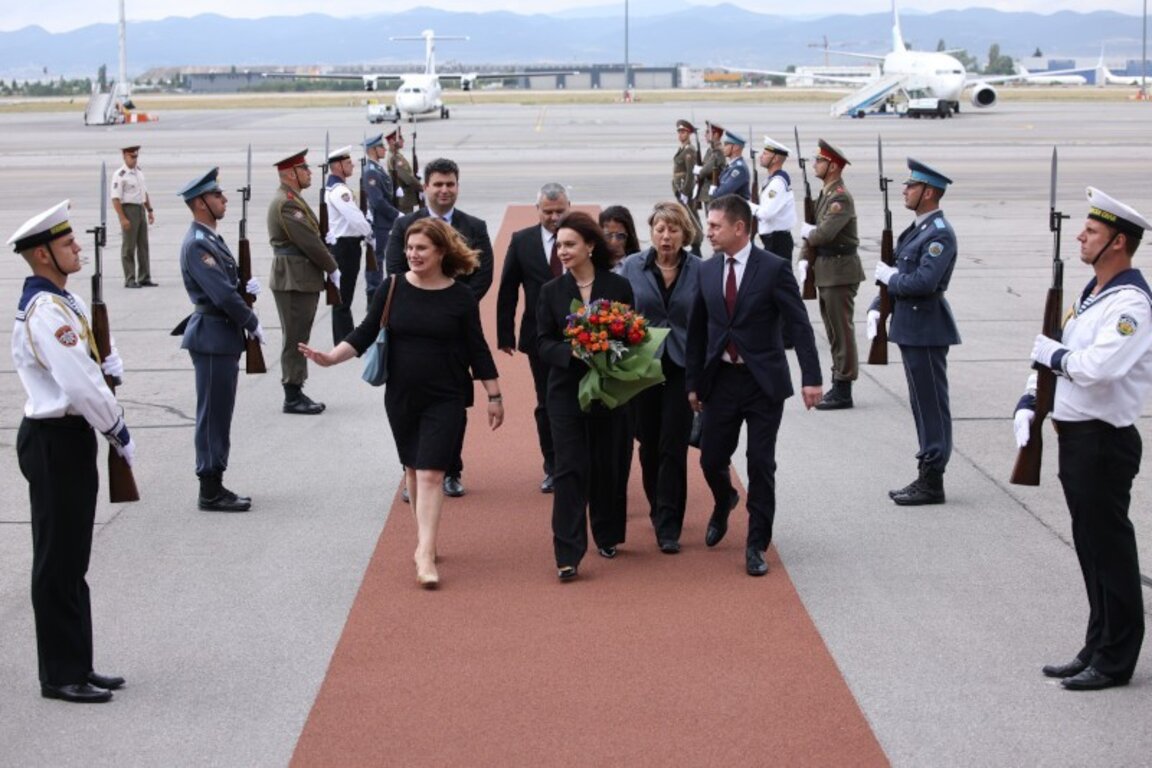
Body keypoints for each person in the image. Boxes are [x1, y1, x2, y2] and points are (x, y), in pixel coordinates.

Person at [300, 218, 503, 589]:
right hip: (402, 395)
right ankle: (426, 539)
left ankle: (424, 553)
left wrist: (494, 395)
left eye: (421, 248)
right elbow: (364, 332)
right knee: (412, 468)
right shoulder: (393, 287)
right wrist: (330, 358)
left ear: (441, 251)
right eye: (410, 248)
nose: (413, 254)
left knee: (431, 473)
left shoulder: (460, 296)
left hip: (447, 394)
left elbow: (478, 347)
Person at [1016, 187, 1152, 691]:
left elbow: (1097, 368)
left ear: (1118, 242)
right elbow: (1058, 350)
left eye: (1091, 232)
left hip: (1103, 443)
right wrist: (1030, 399)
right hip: (1077, 440)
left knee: (1109, 550)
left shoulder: (1130, 304)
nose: (1080, 235)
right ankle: (1096, 644)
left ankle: (1115, 660)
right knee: (1091, 548)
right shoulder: (1093, 294)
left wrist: (1052, 359)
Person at [9, 200, 134, 703]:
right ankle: (60, 674)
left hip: (70, 437)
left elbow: (89, 362)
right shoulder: (46, 311)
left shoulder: (66, 301)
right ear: (43, 255)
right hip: (54, 440)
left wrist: (111, 362)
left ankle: (78, 663)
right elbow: (78, 384)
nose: (78, 246)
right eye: (66, 244)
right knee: (56, 562)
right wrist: (118, 429)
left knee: (72, 560)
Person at [685, 194, 823, 576]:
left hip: (763, 383)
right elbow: (697, 331)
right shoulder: (706, 270)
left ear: (739, 228)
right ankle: (724, 498)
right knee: (711, 458)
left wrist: (811, 377)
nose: (708, 232)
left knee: (760, 464)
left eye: (714, 226)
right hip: (721, 381)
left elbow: (799, 325)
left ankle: (756, 544)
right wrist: (693, 383)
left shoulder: (774, 268)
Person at [385, 157, 494, 498]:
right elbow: (394, 267)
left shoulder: (474, 225)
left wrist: (453, 303)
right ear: (426, 187)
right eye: (438, 184)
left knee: (454, 403)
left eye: (450, 184)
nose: (444, 190)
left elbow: (484, 273)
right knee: (408, 404)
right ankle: (412, 470)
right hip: (411, 331)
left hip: (453, 330)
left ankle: (451, 468)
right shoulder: (406, 224)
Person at [537, 211, 635, 581]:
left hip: (610, 390)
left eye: (569, 244)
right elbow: (541, 341)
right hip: (565, 393)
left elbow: (632, 332)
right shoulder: (550, 292)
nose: (562, 251)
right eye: (559, 245)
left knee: (608, 465)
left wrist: (610, 347)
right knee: (570, 469)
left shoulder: (618, 287)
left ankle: (607, 534)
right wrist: (571, 352)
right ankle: (567, 553)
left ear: (590, 246)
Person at [870, 159, 960, 506]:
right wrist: (878, 307)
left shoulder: (939, 233)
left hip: (926, 328)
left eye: (912, 186)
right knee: (920, 404)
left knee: (932, 406)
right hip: (910, 327)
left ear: (929, 192)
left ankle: (932, 479)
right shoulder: (917, 229)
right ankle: (926, 470)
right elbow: (893, 272)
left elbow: (923, 282)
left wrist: (890, 280)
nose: (905, 190)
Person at [175, 168, 264, 512]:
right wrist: (251, 320)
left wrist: (245, 287)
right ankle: (210, 488)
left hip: (222, 335)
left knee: (220, 412)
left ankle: (215, 481)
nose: (224, 199)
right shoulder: (198, 244)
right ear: (200, 203)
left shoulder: (210, 238)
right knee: (213, 414)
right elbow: (222, 295)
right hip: (213, 337)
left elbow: (228, 286)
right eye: (216, 196)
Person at [620, 201, 703, 553]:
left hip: (683, 366)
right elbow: (618, 313)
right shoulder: (630, 267)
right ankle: (657, 506)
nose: (666, 236)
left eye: (673, 230)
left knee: (673, 444)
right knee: (648, 443)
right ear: (651, 231)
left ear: (685, 234)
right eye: (660, 229)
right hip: (644, 365)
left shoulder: (701, 269)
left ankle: (669, 524)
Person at [496, 182, 570, 493]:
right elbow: (508, 288)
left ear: (569, 207)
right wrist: (505, 333)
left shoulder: (582, 237)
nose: (554, 217)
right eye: (548, 212)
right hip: (538, 335)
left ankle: (577, 461)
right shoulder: (522, 240)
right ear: (537, 210)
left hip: (583, 335)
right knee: (547, 401)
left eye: (560, 211)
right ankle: (553, 465)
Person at [267, 149, 341, 415]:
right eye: (304, 168)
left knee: (299, 334)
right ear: (291, 173)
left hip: (299, 276)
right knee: (296, 337)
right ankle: (292, 394)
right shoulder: (287, 202)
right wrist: (332, 267)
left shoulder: (292, 199)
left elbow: (312, 235)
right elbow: (309, 242)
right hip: (294, 278)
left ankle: (296, 388)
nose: (309, 172)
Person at [799, 139, 864, 410]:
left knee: (841, 331)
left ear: (833, 166)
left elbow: (822, 233)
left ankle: (843, 387)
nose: (815, 164)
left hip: (839, 272)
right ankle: (837, 380)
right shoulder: (825, 194)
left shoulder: (839, 197)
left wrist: (807, 234)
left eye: (819, 160)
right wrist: (804, 258)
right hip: (827, 271)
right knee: (833, 332)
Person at [324, 145, 374, 344]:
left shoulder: (337, 188)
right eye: (347, 162)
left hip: (346, 246)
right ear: (337, 166)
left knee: (344, 295)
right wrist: (369, 232)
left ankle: (345, 336)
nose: (351, 164)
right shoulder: (339, 191)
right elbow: (354, 217)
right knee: (343, 297)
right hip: (345, 247)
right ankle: (344, 339)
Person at [362, 133, 400, 306]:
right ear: (372, 150)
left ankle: (377, 293)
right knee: (376, 260)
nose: (384, 149)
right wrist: (395, 214)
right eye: (381, 147)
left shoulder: (376, 168)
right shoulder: (370, 171)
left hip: (383, 223)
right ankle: (373, 295)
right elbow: (377, 201)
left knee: (379, 258)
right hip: (379, 223)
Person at [111, 144, 156, 288]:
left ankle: (144, 277)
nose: (134, 160)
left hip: (140, 209)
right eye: (132, 157)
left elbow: (144, 193)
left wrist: (149, 210)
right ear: (124, 156)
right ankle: (130, 278)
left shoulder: (139, 172)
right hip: (128, 210)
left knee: (143, 246)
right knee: (129, 247)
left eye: (136, 156)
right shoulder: (120, 175)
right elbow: (115, 199)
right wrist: (123, 218)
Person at [751, 136, 797, 258]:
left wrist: (750, 206)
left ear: (775, 158)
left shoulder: (778, 183)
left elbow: (766, 213)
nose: (761, 156)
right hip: (772, 240)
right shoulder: (770, 180)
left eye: (765, 154)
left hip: (778, 242)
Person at [387, 128, 422, 214]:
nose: (403, 140)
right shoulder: (395, 157)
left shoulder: (397, 155)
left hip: (405, 198)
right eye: (400, 138)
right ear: (392, 141)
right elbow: (407, 178)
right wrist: (421, 187)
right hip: (404, 199)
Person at [599, 205, 641, 271]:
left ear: (629, 236)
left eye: (620, 236)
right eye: (608, 236)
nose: (614, 242)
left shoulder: (639, 265)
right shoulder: (594, 265)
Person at [695, 121, 726, 210]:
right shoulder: (710, 150)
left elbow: (704, 172)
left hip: (713, 193)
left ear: (716, 135)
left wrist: (698, 170)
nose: (705, 135)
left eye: (708, 132)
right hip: (707, 192)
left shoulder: (718, 152)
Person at [712, 130, 751, 201]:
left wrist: (714, 192)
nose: (724, 148)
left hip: (736, 209)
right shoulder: (732, 165)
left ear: (736, 147)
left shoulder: (739, 168)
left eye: (726, 145)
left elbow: (723, 192)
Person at [672, 119, 698, 206]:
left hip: (685, 188)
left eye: (683, 132)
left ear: (689, 134)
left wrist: (685, 192)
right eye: (679, 132)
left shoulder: (689, 150)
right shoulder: (682, 149)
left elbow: (690, 173)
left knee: (691, 216)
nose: (680, 135)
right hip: (680, 187)